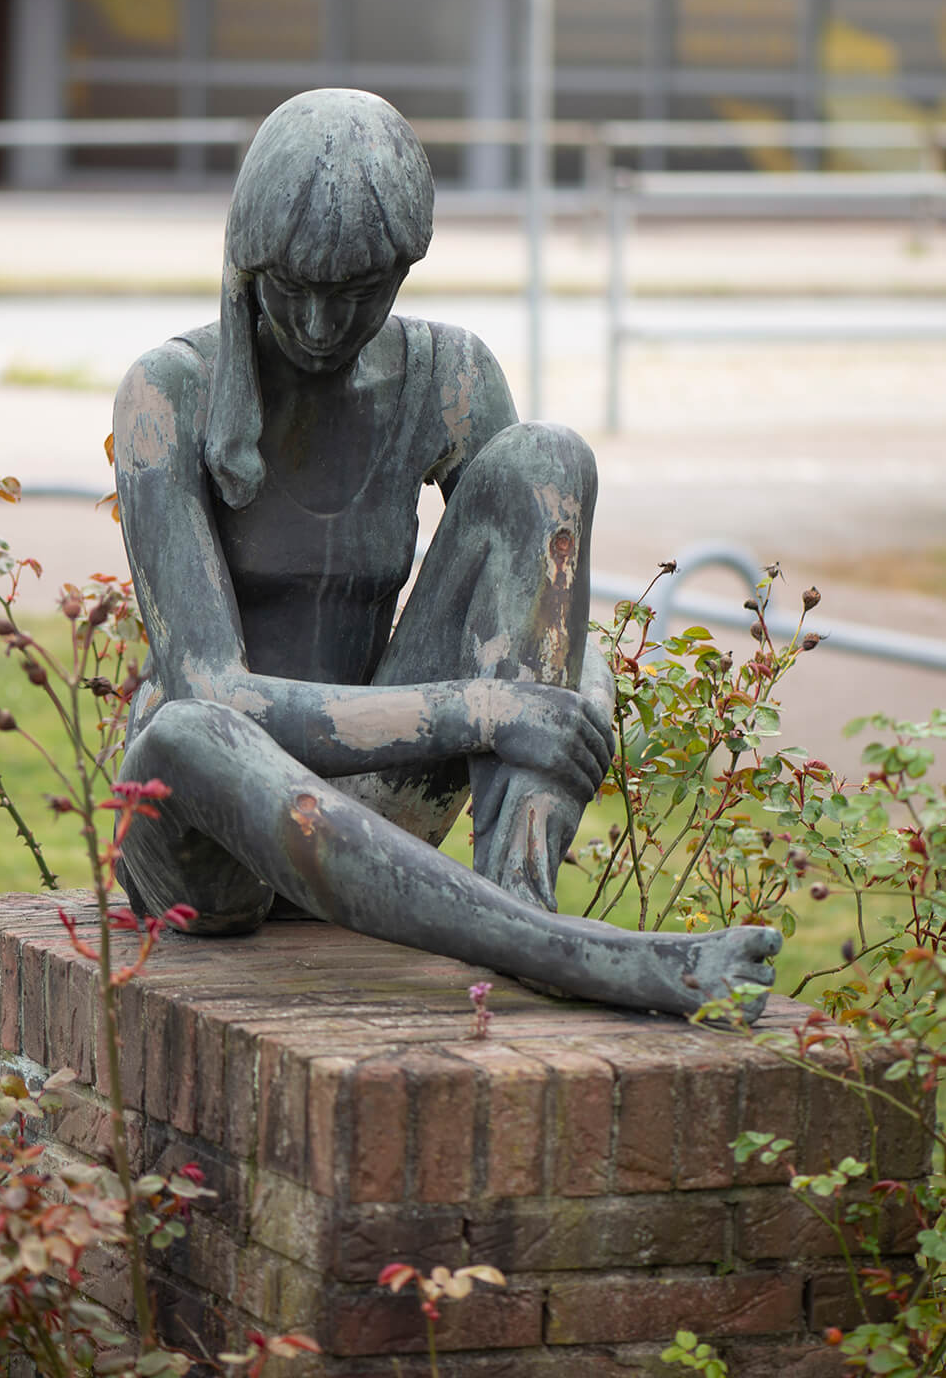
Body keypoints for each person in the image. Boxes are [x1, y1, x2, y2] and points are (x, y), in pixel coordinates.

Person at [113, 88, 780, 1018]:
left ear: (403, 271)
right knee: (184, 729)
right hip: (212, 844)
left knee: (550, 475)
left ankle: (522, 900)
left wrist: (548, 700)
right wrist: (487, 710)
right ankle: (577, 955)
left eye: (353, 297)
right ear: (246, 263)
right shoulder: (168, 393)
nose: (316, 326)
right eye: (292, 291)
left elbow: (533, 636)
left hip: (378, 807)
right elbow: (215, 691)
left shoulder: (453, 376)